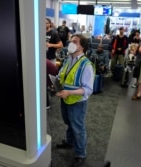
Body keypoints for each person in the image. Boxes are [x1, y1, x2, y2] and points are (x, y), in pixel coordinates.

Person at [55, 34, 95, 167]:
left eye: (74, 42)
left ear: (82, 46)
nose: (71, 44)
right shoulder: (69, 59)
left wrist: (69, 92)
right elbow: (62, 74)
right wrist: (55, 83)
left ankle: (80, 153)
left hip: (77, 102)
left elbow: (88, 89)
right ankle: (69, 142)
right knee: (69, 123)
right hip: (65, 98)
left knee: (78, 127)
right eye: (70, 41)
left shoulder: (86, 65)